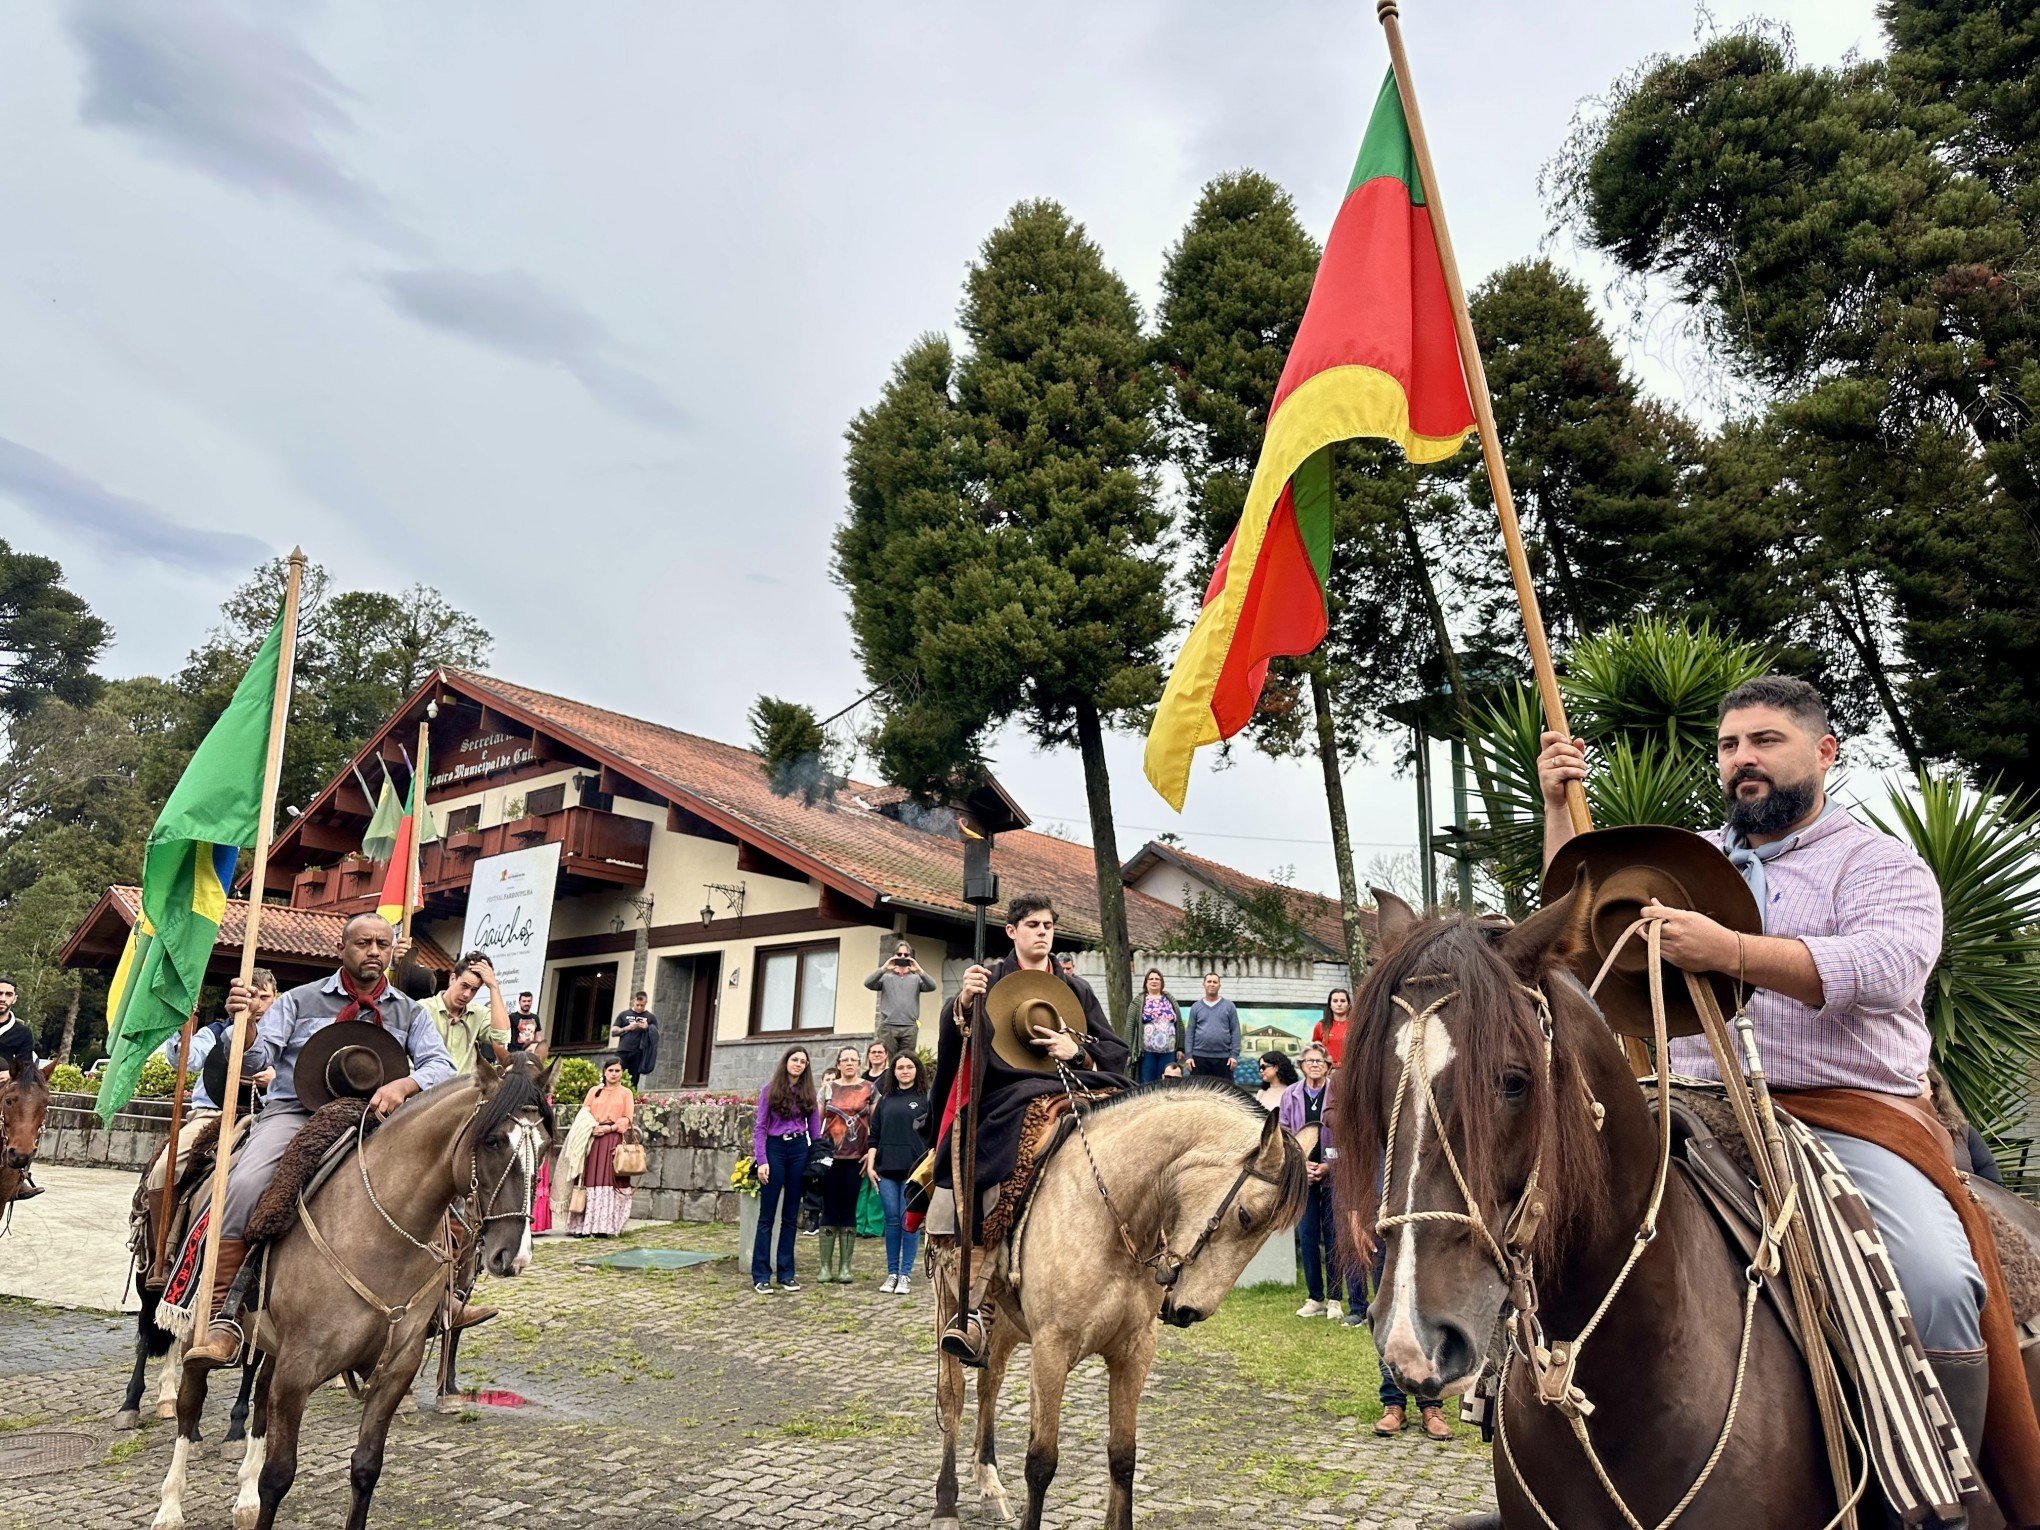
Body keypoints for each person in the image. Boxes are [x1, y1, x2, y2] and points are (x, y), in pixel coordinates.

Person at [1536, 674, 1991, 1447]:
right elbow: (1578, 932)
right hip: (1685, 1102)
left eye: (1765, 741)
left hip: (1845, 1115)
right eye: (1729, 745)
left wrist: (1732, 952)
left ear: (1824, 752)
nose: (1743, 759)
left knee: (1937, 1284)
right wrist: (1557, 810)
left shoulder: (1879, 864)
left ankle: (1947, 1480)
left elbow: (1890, 967)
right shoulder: (1679, 860)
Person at [187, 913, 463, 1368]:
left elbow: (441, 1066)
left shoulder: (410, 1012)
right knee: (245, 1183)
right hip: (296, 1113)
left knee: (440, 1189)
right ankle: (226, 1314)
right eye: (363, 943)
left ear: (393, 951)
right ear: (342, 949)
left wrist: (404, 1086)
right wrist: (248, 1025)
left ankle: (442, 1297)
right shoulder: (297, 1000)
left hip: (373, 1119)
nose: (373, 951)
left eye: (382, 943)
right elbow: (256, 1057)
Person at [929, 894, 1130, 1364]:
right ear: (1012, 931)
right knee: (987, 1152)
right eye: (1033, 924)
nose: (1043, 932)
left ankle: (1143, 1266)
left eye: (1049, 925)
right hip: (1006, 1091)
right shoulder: (988, 981)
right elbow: (957, 1038)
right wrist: (962, 1003)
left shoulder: (1076, 989)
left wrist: (1074, 1050)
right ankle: (975, 1304)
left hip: (1073, 1082)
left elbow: (1113, 1049)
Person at [1278, 1044, 1346, 1319]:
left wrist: (1330, 1166)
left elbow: (1347, 1134)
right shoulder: (1290, 1095)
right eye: (1309, 1061)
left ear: (1328, 1066)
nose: (1314, 1065)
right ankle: (1314, 1297)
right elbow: (1282, 1133)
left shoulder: (1338, 1093)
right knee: (1307, 1237)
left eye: (1320, 1061)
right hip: (1303, 1177)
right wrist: (1299, 1164)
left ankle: (1335, 1299)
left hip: (1332, 1174)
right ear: (1301, 1065)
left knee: (1333, 1237)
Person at [751, 1045, 821, 1293]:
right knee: (767, 1215)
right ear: (786, 1062)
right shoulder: (769, 1091)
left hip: (799, 1150)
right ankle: (761, 1275)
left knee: (791, 1216)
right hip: (775, 1149)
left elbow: (815, 1131)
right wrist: (762, 1160)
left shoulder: (809, 1093)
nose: (799, 1064)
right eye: (795, 1060)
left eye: (803, 1061)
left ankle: (786, 1273)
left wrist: (817, 1161)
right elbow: (760, 1128)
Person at [163, 970, 280, 1113]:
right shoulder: (215, 1032)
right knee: (189, 1136)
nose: (258, 1004)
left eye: (264, 997)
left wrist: (277, 1081)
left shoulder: (286, 1035)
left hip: (269, 1115)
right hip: (211, 1112)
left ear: (275, 996)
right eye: (250, 997)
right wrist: (180, 1027)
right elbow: (184, 1062)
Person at [868, 1051, 932, 1294]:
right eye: (900, 1067)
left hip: (913, 1171)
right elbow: (874, 1135)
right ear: (893, 1072)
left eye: (909, 1067)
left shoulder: (926, 1098)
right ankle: (892, 1272)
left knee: (909, 1222)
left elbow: (933, 1136)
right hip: (886, 1170)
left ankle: (905, 1275)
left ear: (917, 1070)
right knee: (892, 1221)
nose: (904, 1071)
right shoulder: (885, 1100)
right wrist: (871, 1166)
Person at [553, 1057, 636, 1237]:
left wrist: (610, 1128)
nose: (614, 1074)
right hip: (591, 1139)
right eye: (610, 1070)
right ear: (604, 1072)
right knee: (588, 1180)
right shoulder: (594, 1091)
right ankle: (582, 1226)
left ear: (621, 1073)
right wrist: (592, 1128)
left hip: (612, 1140)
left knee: (609, 1180)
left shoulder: (626, 1093)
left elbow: (628, 1118)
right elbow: (584, 1113)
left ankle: (603, 1227)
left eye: (617, 1071)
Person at [817, 1045, 876, 1284]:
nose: (849, 1063)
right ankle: (825, 1266)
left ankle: (845, 1267)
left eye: (854, 1059)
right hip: (830, 1158)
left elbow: (875, 1123)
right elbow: (816, 1122)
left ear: (859, 1064)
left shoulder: (870, 1089)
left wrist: (872, 1153)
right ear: (838, 1064)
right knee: (829, 1208)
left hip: (856, 1158)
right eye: (845, 1060)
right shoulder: (827, 1089)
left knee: (849, 1209)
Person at [421, 952, 512, 1075]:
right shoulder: (422, 1009)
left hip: (463, 1090)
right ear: (452, 979)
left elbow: (502, 1037)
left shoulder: (478, 1013)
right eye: (464, 986)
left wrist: (493, 987)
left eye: (474, 990)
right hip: (427, 1089)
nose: (467, 994)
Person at [864, 941, 936, 1060]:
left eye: (906, 955)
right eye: (899, 954)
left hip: (910, 1027)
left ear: (910, 957)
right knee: (888, 1063)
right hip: (888, 1027)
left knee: (906, 1062)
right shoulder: (886, 978)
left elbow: (932, 986)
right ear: (894, 955)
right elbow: (868, 983)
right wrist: (884, 968)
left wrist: (918, 969)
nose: (902, 957)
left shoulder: (916, 979)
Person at [1128, 968, 1184, 1084]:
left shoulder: (1170, 1000)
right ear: (1146, 983)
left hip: (1169, 1051)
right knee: (1147, 1083)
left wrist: (1180, 1048)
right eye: (1151, 979)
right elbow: (1130, 1026)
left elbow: (1179, 1023)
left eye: (1157, 979)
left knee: (1167, 1083)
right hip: (1147, 1052)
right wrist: (1128, 1051)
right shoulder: (1138, 1001)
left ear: (1162, 982)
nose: (1154, 981)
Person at [1185, 972, 1240, 1081]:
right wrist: (1188, 1056)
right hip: (1199, 1058)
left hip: (1224, 1059)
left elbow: (1235, 1031)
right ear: (1204, 984)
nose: (1212, 984)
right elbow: (1190, 1032)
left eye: (1215, 982)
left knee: (1224, 1093)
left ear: (1219, 985)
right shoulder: (1196, 1007)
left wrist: (1234, 1055)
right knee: (1199, 1093)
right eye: (1209, 981)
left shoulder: (1229, 1006)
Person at [609, 991, 659, 1089]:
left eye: (642, 1005)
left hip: (638, 1052)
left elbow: (656, 1036)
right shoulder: (624, 1014)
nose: (639, 1008)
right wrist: (627, 1028)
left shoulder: (650, 1017)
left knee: (633, 1081)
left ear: (646, 1003)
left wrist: (647, 1028)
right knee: (616, 1076)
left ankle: (631, 1100)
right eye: (637, 1005)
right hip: (622, 1051)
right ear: (634, 1001)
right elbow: (613, 1031)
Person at [1312, 988, 1353, 1069]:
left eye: (1343, 1001)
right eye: (1335, 1001)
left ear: (1348, 1004)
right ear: (1330, 1005)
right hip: (1327, 1071)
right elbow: (1315, 1050)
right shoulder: (1321, 1025)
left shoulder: (1356, 1026)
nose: (1339, 1004)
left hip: (1349, 1070)